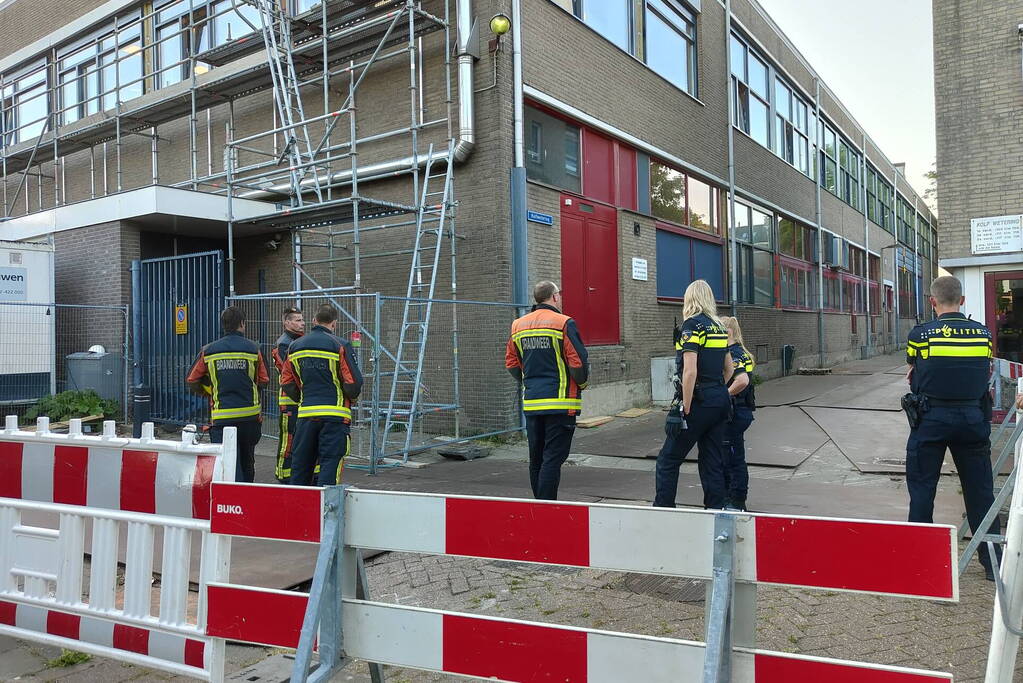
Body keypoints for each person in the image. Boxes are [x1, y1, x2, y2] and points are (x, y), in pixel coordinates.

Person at [905, 275, 1000, 580]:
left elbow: (913, 366)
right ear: (962, 300)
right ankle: (990, 561)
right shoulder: (983, 334)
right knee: (980, 490)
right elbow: (983, 368)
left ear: (933, 302)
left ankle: (920, 560)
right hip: (972, 420)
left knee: (923, 488)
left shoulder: (921, 334)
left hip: (931, 420)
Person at [505, 281, 589, 500]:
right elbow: (578, 362)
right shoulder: (564, 323)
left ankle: (539, 507)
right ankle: (547, 511)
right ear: (554, 297)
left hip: (533, 403)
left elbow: (512, 364)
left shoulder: (518, 325)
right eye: (558, 295)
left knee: (537, 459)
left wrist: (528, 382)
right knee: (552, 459)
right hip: (561, 403)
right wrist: (582, 385)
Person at [654, 279, 733, 509]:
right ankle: (715, 511)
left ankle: (663, 509)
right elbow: (729, 369)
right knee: (711, 461)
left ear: (690, 299)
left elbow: (690, 371)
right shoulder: (719, 327)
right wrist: (718, 389)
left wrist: (685, 406)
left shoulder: (691, 326)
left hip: (699, 401)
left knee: (668, 459)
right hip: (720, 399)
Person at [280, 304, 363, 486]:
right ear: (334, 323)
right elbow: (354, 383)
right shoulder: (340, 345)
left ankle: (299, 509)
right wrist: (349, 397)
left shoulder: (294, 346)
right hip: (335, 417)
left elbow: (286, 381)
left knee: (301, 467)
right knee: (329, 466)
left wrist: (303, 397)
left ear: (313, 321)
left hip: (306, 416)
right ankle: (327, 511)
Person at [186, 306, 269, 483]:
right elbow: (264, 380)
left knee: (228, 462)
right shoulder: (254, 349)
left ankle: (232, 502)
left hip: (222, 417)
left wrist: (209, 392)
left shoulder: (208, 350)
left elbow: (192, 380)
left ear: (223, 325)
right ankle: (247, 496)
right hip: (250, 416)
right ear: (242, 324)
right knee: (248, 460)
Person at [721, 316, 756, 511]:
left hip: (734, 413)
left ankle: (735, 500)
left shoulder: (734, 354)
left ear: (728, 332)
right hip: (742, 412)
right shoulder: (742, 353)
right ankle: (735, 498)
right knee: (735, 456)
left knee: (732, 458)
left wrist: (722, 395)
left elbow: (742, 381)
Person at [271, 307, 305, 483]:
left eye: (302, 319)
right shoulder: (284, 344)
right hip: (289, 400)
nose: (302, 323)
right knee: (288, 439)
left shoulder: (298, 341)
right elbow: (291, 372)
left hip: (299, 400)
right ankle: (283, 475)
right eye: (298, 320)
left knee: (298, 438)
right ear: (287, 322)